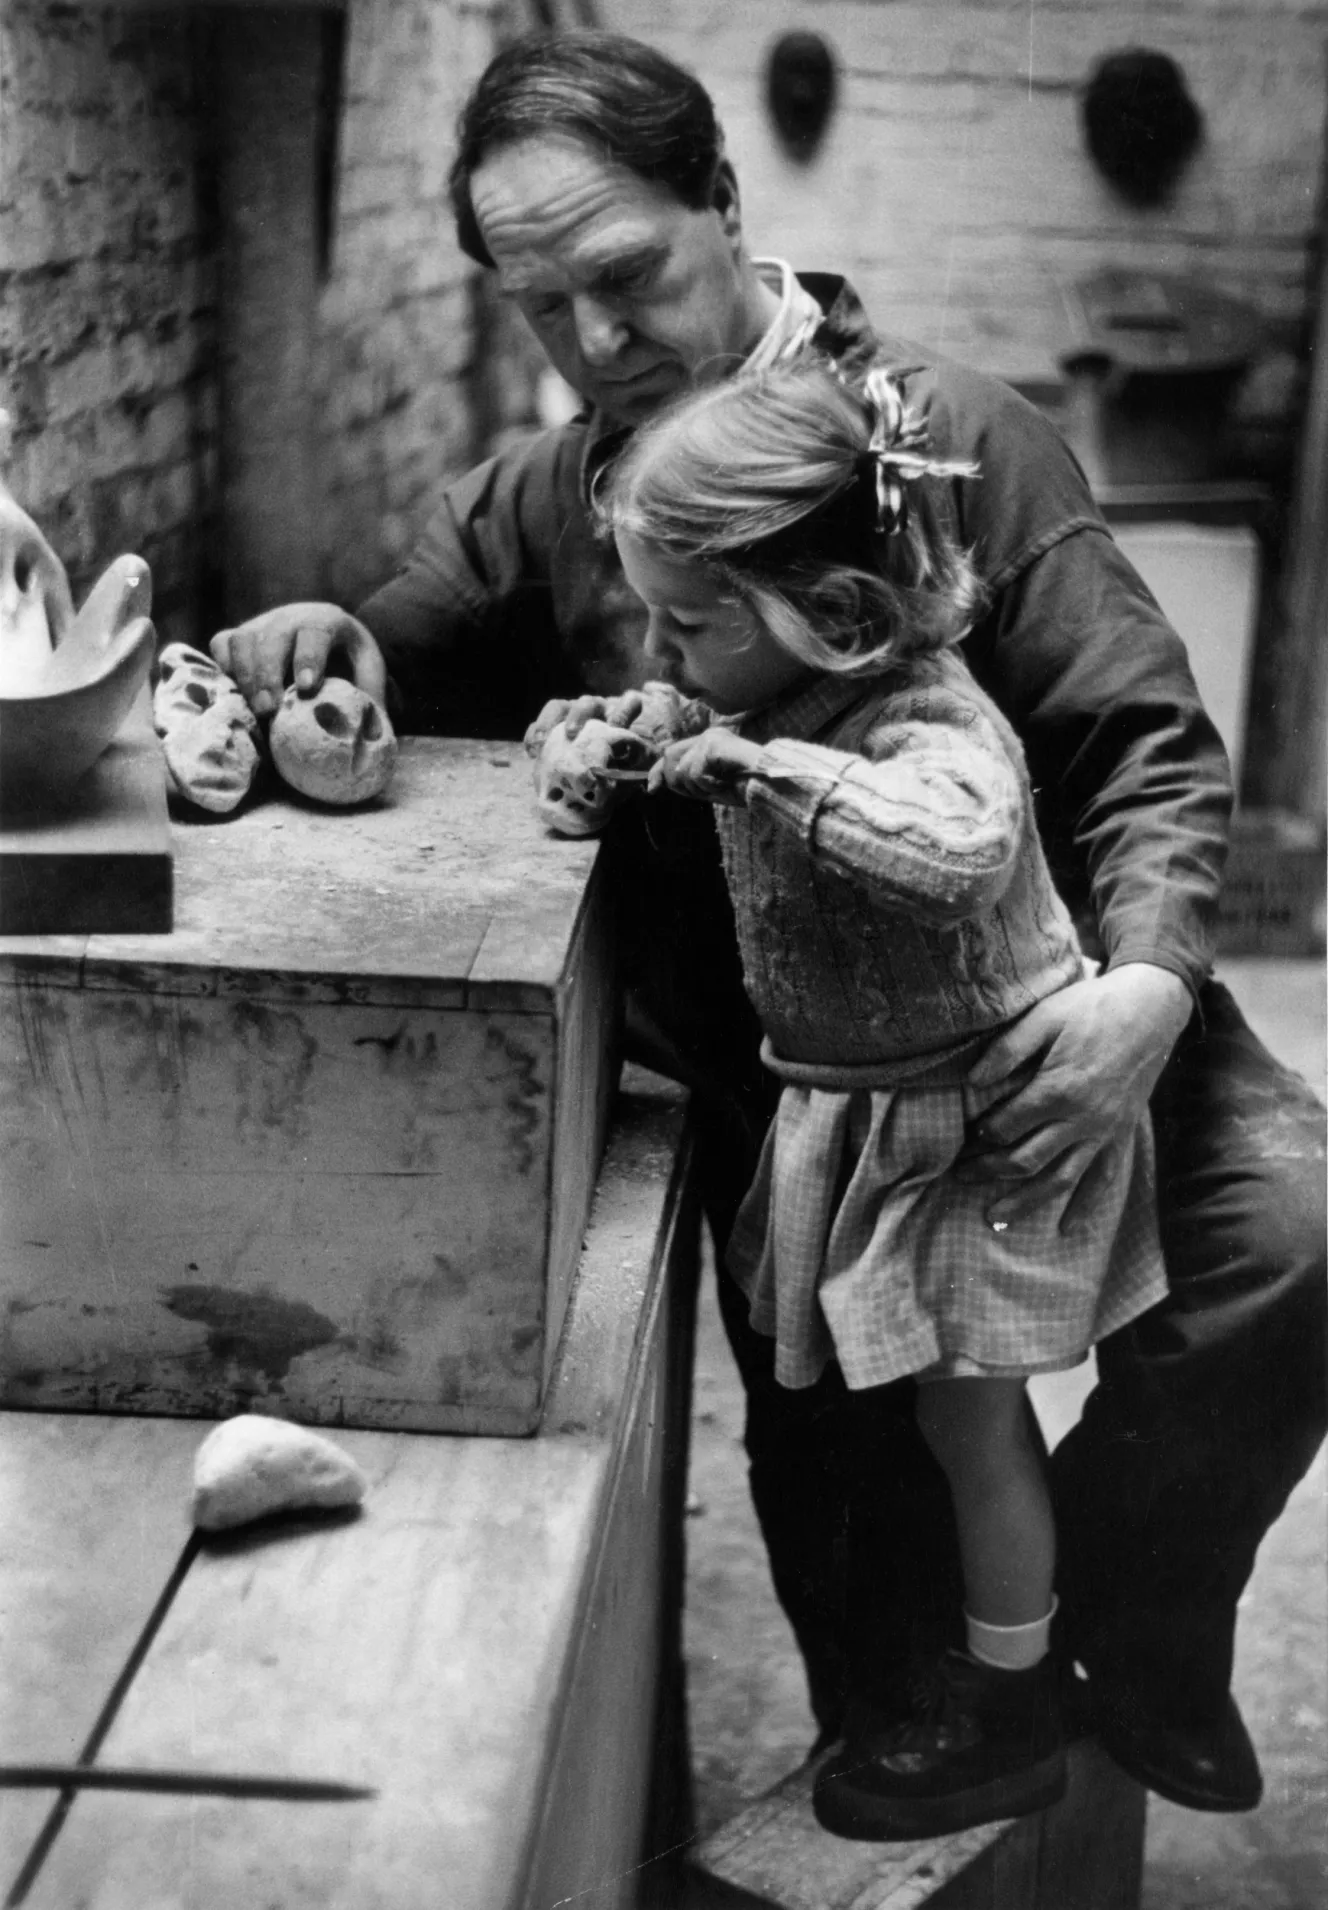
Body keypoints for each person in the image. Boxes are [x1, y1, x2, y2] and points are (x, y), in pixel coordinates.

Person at [210, 31, 1326, 1816]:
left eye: (628, 274)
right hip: (801, 1091)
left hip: (1044, 1009)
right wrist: (309, 643)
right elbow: (386, 647)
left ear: (725, 203)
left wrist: (1147, 993)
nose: (591, 342)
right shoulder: (552, 502)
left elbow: (1146, 739)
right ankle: (950, 1689)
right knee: (846, 1440)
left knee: (1293, 1224)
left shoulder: (951, 440)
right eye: (539, 305)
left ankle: (1140, 1619)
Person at [592, 351, 1172, 1837]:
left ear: (835, 616)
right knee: (894, 1426)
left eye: (692, 621)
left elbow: (959, 846)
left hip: (983, 1118)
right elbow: (717, 741)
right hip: (858, 1103)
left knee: (974, 1427)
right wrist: (660, 742)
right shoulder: (783, 689)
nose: (663, 646)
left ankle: (1014, 1697)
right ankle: (942, 1656)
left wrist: (757, 769)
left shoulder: (927, 719)